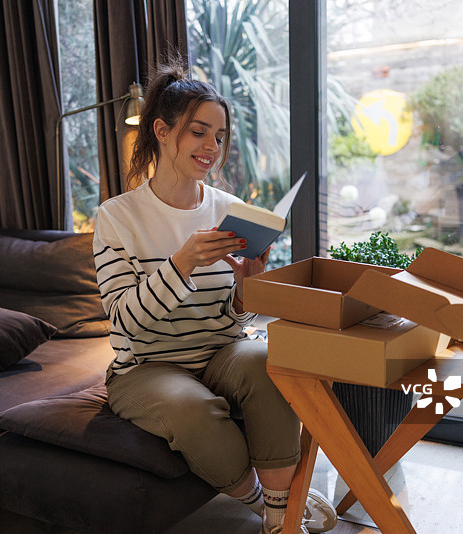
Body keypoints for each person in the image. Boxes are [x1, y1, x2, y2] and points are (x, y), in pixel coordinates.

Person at [92, 58, 337, 534]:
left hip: (218, 352)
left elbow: (233, 318)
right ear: (162, 131)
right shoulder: (116, 217)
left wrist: (247, 285)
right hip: (145, 367)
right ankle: (269, 504)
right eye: (198, 132)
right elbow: (126, 323)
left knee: (269, 359)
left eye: (220, 136)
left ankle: (281, 520)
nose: (212, 147)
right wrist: (182, 262)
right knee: (191, 408)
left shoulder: (229, 210)